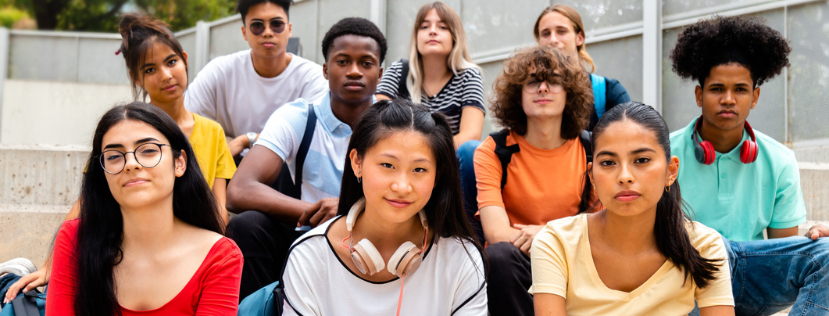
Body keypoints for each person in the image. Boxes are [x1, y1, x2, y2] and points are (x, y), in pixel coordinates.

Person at [3, 14, 239, 302]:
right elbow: (88, 199)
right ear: (136, 77)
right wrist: (50, 265)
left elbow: (219, 207)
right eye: (151, 69)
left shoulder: (212, 131)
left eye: (171, 62)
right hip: (123, 242)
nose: (165, 75)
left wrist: (203, 251)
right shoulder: (122, 130)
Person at [669, 15, 829, 315]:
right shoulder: (663, 154)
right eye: (717, 89)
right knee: (712, 246)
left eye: (740, 89)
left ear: (754, 96)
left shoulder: (779, 159)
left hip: (752, 279)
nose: (728, 99)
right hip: (688, 278)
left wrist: (812, 241)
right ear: (699, 95)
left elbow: (784, 254)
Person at [225, 17, 386, 300]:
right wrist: (321, 211)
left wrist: (350, 211)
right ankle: (263, 306)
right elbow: (239, 190)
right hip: (307, 237)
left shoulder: (396, 125)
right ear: (325, 70)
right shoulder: (298, 116)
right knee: (248, 225)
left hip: (377, 236)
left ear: (380, 73)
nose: (354, 71)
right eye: (343, 61)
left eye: (366, 63)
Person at [281, 99, 487, 315]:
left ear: (438, 175)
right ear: (357, 163)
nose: (402, 186)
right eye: (388, 165)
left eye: (419, 169)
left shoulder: (461, 259)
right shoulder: (309, 256)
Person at [530, 101, 734, 315]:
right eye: (609, 163)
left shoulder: (704, 245)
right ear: (592, 177)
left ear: (671, 171)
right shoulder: (556, 243)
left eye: (642, 160)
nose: (624, 176)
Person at [45, 102, 243, 315]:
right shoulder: (76, 239)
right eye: (113, 156)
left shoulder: (220, 256)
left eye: (148, 150)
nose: (130, 163)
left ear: (179, 163)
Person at [474, 45, 593, 316]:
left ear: (569, 93)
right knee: (498, 257)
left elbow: (604, 228)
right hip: (518, 266)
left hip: (575, 262)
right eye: (532, 82)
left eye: (553, 81)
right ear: (518, 94)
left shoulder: (592, 149)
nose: (542, 88)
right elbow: (496, 234)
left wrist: (547, 233)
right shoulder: (493, 150)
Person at [374, 2, 486, 241]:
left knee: (471, 150)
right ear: (416, 37)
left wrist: (428, 158)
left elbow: (470, 134)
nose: (432, 31)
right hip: (401, 162)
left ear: (455, 37)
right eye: (425, 26)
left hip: (448, 164)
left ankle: (469, 240)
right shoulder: (398, 70)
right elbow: (376, 123)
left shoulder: (469, 75)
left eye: (442, 27)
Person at [185, 0, 328, 157]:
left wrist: (246, 140)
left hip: (291, 174)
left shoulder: (314, 78)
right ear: (244, 32)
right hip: (228, 166)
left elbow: (315, 142)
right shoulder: (218, 72)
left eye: (276, 24)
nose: (267, 32)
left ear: (289, 29)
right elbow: (190, 128)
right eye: (257, 26)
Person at [533, 4, 630, 130]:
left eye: (561, 31)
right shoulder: (529, 94)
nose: (553, 39)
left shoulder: (609, 91)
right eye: (546, 33)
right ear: (539, 42)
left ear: (579, 38)